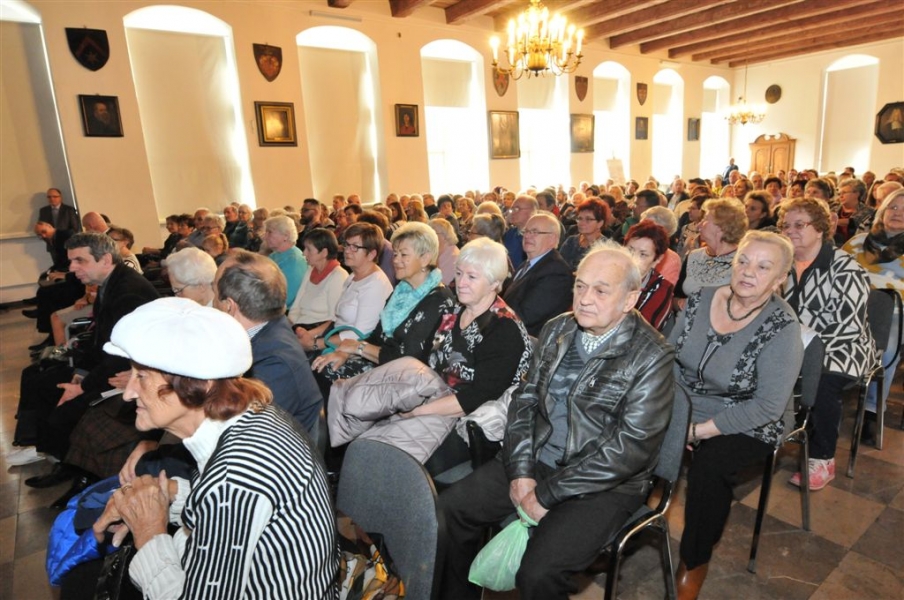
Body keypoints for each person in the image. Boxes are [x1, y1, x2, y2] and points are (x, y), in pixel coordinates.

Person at [439, 245, 675, 600]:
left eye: (601, 290)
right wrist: (520, 470)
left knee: (538, 572)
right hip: (538, 458)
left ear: (630, 299)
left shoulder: (651, 355)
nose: (585, 299)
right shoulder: (558, 329)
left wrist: (546, 494)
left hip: (603, 483)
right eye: (580, 286)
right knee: (449, 512)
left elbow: (629, 449)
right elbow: (524, 402)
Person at [89, 298, 337, 599]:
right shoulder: (254, 416)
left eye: (141, 377)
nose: (129, 393)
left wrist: (149, 532)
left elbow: (229, 496)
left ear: (197, 383)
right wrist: (167, 494)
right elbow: (233, 510)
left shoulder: (234, 474)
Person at [671, 231, 804, 599]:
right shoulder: (701, 299)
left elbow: (768, 405)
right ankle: (618, 525)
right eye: (743, 261)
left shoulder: (782, 326)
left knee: (710, 467)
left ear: (780, 279)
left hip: (749, 416)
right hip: (689, 400)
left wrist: (697, 431)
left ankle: (694, 560)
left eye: (763, 267)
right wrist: (664, 408)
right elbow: (669, 357)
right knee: (633, 430)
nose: (748, 271)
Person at [327, 237, 531, 464]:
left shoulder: (504, 328)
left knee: (376, 447)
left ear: (495, 283)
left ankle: (350, 452)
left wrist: (416, 412)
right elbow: (424, 359)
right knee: (368, 408)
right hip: (432, 396)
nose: (461, 282)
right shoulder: (454, 311)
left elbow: (476, 398)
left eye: (472, 277)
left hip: (466, 421)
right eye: (459, 273)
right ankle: (341, 434)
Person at [10, 234, 159, 493]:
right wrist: (79, 374)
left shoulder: (128, 292)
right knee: (42, 379)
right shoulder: (109, 283)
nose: (72, 268)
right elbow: (100, 341)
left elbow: (119, 355)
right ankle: (55, 455)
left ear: (105, 259)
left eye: (80, 260)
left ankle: (75, 469)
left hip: (126, 373)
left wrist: (82, 386)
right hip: (110, 366)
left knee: (63, 409)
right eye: (71, 261)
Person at [779, 197, 876, 489]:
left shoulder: (846, 268)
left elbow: (849, 325)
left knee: (821, 378)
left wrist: (803, 350)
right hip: (792, 344)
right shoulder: (780, 265)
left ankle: (822, 458)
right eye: (786, 225)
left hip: (843, 346)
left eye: (799, 225)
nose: (790, 231)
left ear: (820, 228)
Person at [312, 222, 455, 380]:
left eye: (403, 255)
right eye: (395, 254)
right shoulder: (402, 291)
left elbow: (408, 357)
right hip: (384, 362)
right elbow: (376, 336)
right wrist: (345, 352)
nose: (396, 260)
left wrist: (358, 347)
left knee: (326, 372)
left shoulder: (439, 300)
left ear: (425, 258)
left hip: (409, 377)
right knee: (323, 364)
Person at [842, 188, 904, 443]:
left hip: (894, 313)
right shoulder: (858, 242)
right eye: (893, 207)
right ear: (882, 210)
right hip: (850, 308)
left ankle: (872, 409)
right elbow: (837, 273)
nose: (897, 213)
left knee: (886, 350)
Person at [300, 223, 392, 354]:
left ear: (371, 254)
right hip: (336, 337)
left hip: (353, 350)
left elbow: (360, 334)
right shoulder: (353, 276)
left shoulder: (375, 285)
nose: (347, 251)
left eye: (355, 247)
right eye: (347, 245)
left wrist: (315, 344)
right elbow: (336, 320)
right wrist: (311, 334)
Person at [502, 213, 574, 337]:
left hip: (526, 340)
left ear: (552, 238)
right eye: (526, 231)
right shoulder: (529, 263)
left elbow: (526, 317)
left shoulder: (556, 272)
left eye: (535, 232)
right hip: (508, 331)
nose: (527, 236)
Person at [675, 198, 748, 310]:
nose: (698, 225)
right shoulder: (694, 256)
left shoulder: (742, 263)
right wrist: (680, 303)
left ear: (721, 227)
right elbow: (675, 296)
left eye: (705, 220)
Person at [288, 228, 348, 347]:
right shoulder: (311, 270)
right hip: (299, 327)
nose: (304, 253)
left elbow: (334, 319)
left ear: (324, 253)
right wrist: (289, 325)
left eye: (309, 249)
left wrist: (307, 336)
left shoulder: (338, 276)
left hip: (316, 332)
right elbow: (296, 306)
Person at [624, 222, 675, 331]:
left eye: (643, 254)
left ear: (657, 259)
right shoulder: (606, 272)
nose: (632, 258)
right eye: (630, 250)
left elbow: (641, 333)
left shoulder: (662, 289)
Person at [263, 215, 307, 307]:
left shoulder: (294, 260)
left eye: (269, 232)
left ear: (286, 236)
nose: (265, 236)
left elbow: (286, 297)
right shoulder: (274, 255)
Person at [559, 198, 610, 271]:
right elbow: (558, 267)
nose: (581, 223)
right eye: (580, 218)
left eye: (588, 219)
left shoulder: (606, 248)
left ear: (600, 223)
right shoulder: (570, 241)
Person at [430, 218, 460, 287]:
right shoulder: (437, 251)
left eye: (433, 233)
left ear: (445, 236)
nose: (429, 237)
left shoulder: (454, 257)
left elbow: (441, 283)